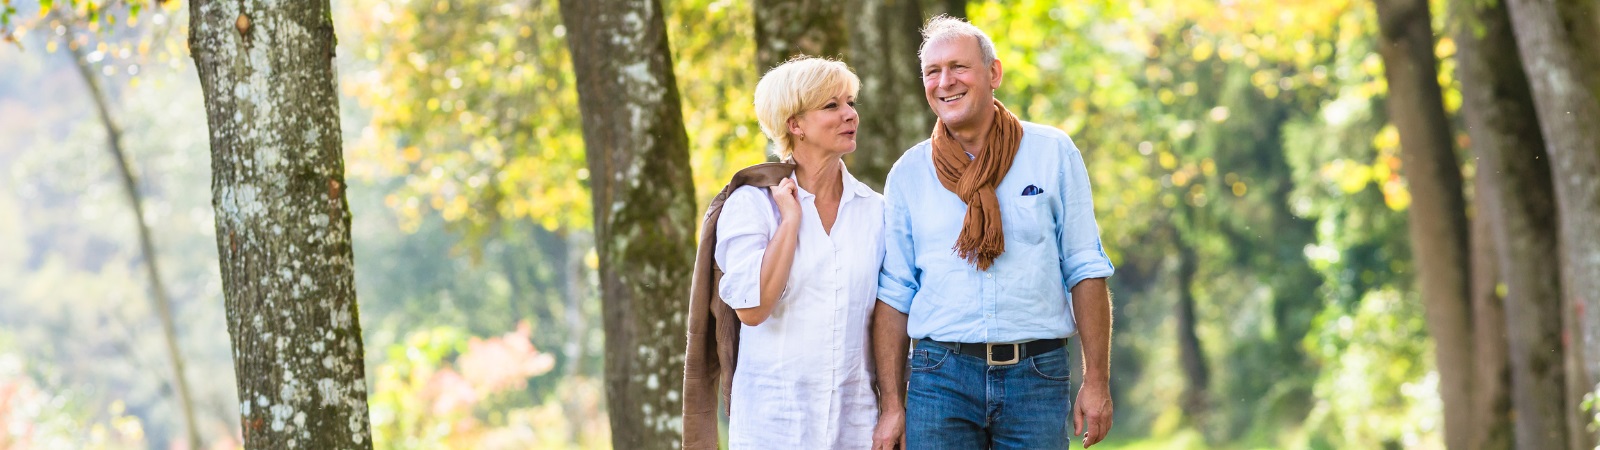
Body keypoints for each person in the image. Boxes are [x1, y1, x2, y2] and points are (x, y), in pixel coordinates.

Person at [871, 16, 1117, 450]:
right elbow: (895, 292)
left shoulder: (1052, 153)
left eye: (958, 67)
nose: (945, 82)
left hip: (1037, 376)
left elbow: (1084, 266)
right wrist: (892, 405)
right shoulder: (909, 172)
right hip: (938, 377)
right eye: (933, 71)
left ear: (994, 73)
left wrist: (1096, 381)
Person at [708, 56, 885, 449]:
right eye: (831, 106)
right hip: (774, 427)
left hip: (857, 427)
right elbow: (753, 309)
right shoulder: (751, 205)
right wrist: (790, 222)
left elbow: (889, 320)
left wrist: (893, 410)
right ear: (795, 125)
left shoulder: (877, 211)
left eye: (850, 102)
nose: (849, 114)